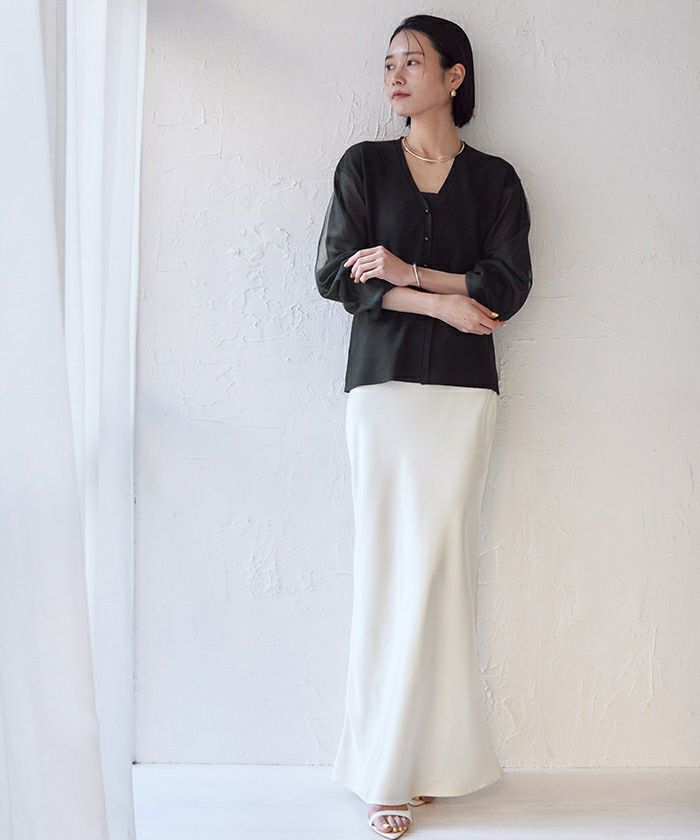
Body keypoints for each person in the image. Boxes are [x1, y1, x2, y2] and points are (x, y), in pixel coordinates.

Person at [314, 14, 533, 838]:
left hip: (463, 395)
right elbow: (337, 274)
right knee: (387, 566)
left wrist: (410, 271)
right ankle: (384, 772)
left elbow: (505, 285)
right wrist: (439, 300)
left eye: (412, 61)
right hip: (382, 390)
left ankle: (427, 761)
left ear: (455, 76)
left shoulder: (496, 180)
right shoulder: (363, 166)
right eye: (388, 64)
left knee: (441, 574)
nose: (395, 76)